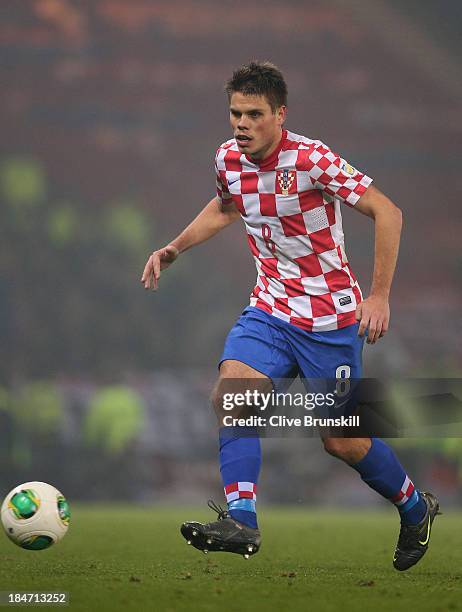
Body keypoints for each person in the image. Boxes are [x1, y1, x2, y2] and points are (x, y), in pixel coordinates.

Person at [141, 61, 440, 570]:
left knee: (343, 441)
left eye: (254, 114)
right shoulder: (227, 159)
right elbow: (226, 207)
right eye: (235, 113)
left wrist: (381, 296)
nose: (241, 124)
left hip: (330, 321)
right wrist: (176, 247)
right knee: (233, 393)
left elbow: (389, 212)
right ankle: (242, 520)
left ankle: (415, 506)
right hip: (271, 311)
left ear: (280, 114)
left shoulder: (311, 159)